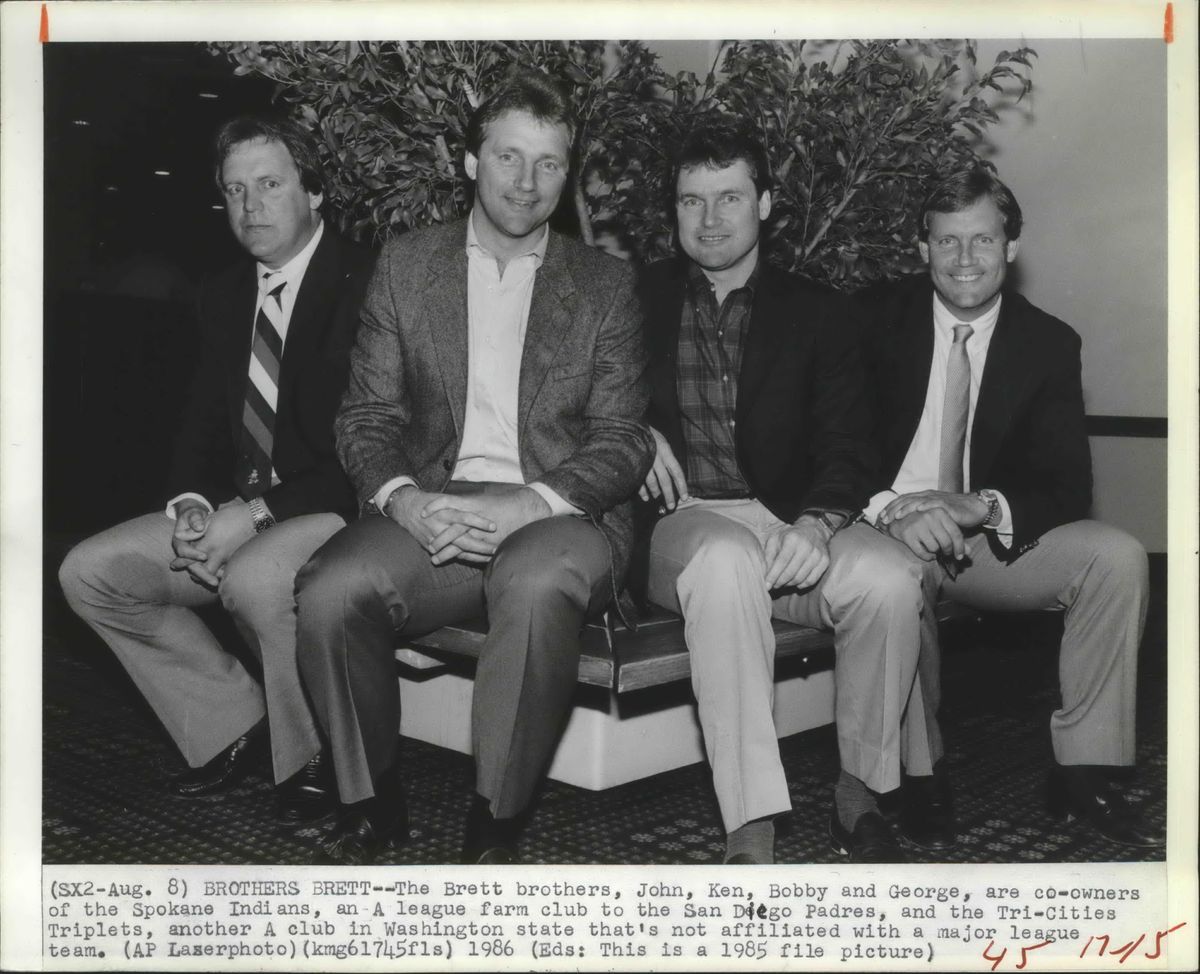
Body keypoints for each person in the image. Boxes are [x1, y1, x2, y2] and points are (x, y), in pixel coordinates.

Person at [293, 70, 654, 865]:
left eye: (549, 164)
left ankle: (495, 825)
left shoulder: (604, 284)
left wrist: (533, 503)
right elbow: (367, 418)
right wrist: (403, 501)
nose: (526, 183)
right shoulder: (406, 266)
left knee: (531, 585)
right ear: (470, 162)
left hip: (562, 514)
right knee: (331, 589)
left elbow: (624, 439)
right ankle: (372, 803)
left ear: (567, 173)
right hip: (435, 501)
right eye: (507, 157)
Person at [58, 114, 376, 823]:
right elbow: (199, 423)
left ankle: (313, 757)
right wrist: (193, 505)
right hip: (241, 507)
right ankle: (235, 725)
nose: (250, 207)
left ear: (315, 191)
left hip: (339, 505)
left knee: (256, 576)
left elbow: (366, 454)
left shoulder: (367, 283)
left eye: (269, 185)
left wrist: (254, 518)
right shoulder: (224, 292)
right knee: (90, 571)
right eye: (234, 191)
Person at [635, 118, 925, 864]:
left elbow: (847, 443)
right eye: (692, 201)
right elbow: (578, 404)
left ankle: (861, 795)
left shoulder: (820, 311)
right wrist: (634, 436)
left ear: (765, 204)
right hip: (684, 521)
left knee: (891, 579)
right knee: (727, 562)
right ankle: (751, 823)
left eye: (729, 198)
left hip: (788, 515)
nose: (709, 219)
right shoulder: (633, 300)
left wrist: (819, 523)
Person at [861, 167, 1162, 851]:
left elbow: (1067, 486)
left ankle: (1088, 770)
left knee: (1114, 558)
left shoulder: (1048, 343)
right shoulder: (871, 322)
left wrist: (980, 504)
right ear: (921, 249)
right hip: (884, 528)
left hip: (980, 543)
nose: (965, 261)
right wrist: (895, 509)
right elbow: (836, 446)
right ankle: (922, 773)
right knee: (896, 580)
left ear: (1012, 247)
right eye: (946, 242)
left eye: (983, 241)